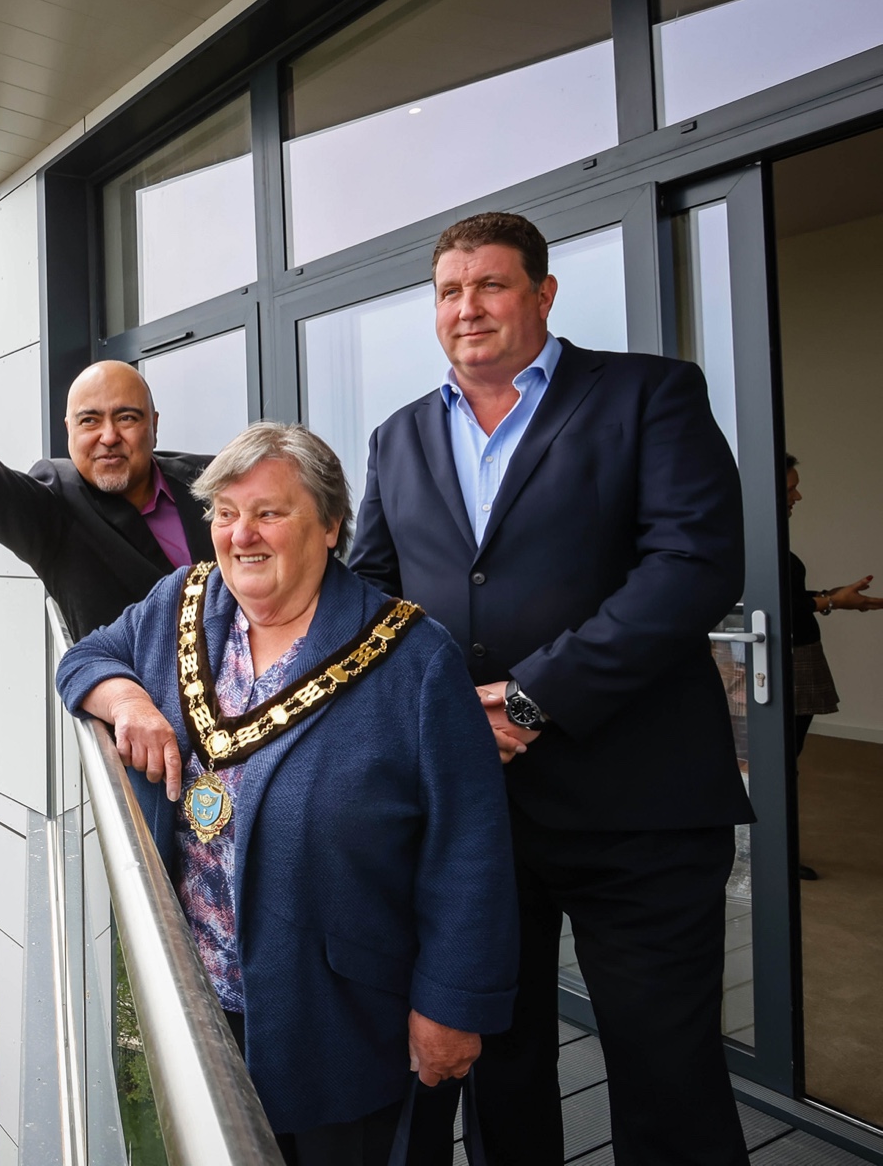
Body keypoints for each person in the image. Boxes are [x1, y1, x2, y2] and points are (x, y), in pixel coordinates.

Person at [348, 211, 753, 1166]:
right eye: (450, 291)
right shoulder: (398, 436)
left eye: (490, 285)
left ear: (543, 294)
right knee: (502, 1069)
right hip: (477, 818)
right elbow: (370, 597)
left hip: (639, 809)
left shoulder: (647, 394)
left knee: (669, 1080)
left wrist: (533, 698)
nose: (467, 308)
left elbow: (695, 566)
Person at [56, 422, 518, 1164]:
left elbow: (471, 854)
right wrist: (130, 704)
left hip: (340, 1021)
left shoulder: (414, 658)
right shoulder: (183, 601)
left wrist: (452, 1009)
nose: (242, 535)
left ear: (332, 526)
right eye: (226, 514)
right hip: (201, 1008)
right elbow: (87, 655)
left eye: (270, 513)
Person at [0, 347, 213, 639]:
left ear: (154, 425)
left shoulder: (214, 480)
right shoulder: (58, 501)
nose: (108, 436)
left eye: (126, 418)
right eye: (89, 421)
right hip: (144, 711)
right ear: (69, 430)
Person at [784, 453, 883, 880]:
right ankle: (772, 855)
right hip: (783, 661)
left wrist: (831, 596)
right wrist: (828, 602)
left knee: (788, 761)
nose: (798, 495)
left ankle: (778, 852)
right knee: (779, 763)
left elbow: (789, 597)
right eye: (790, 488)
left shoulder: (761, 540)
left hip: (797, 657)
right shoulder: (744, 541)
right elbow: (770, 608)